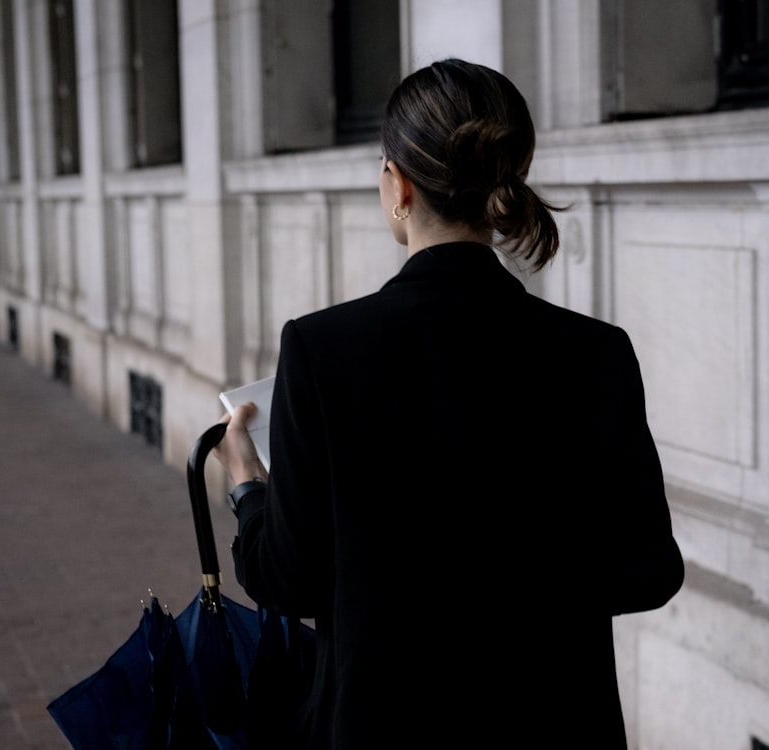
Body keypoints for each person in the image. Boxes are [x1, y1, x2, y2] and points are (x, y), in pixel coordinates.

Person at [214, 58, 684, 749]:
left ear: (397, 186)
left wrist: (249, 488)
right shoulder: (595, 353)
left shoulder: (322, 351)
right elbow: (649, 570)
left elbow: (287, 581)